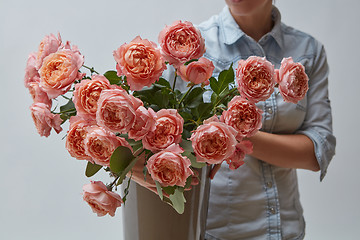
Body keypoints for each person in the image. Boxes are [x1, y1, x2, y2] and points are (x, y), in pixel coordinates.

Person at [198, 0, 336, 239]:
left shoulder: (308, 50)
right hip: (216, 232)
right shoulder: (191, 45)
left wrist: (235, 133)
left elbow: (317, 150)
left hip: (286, 230)